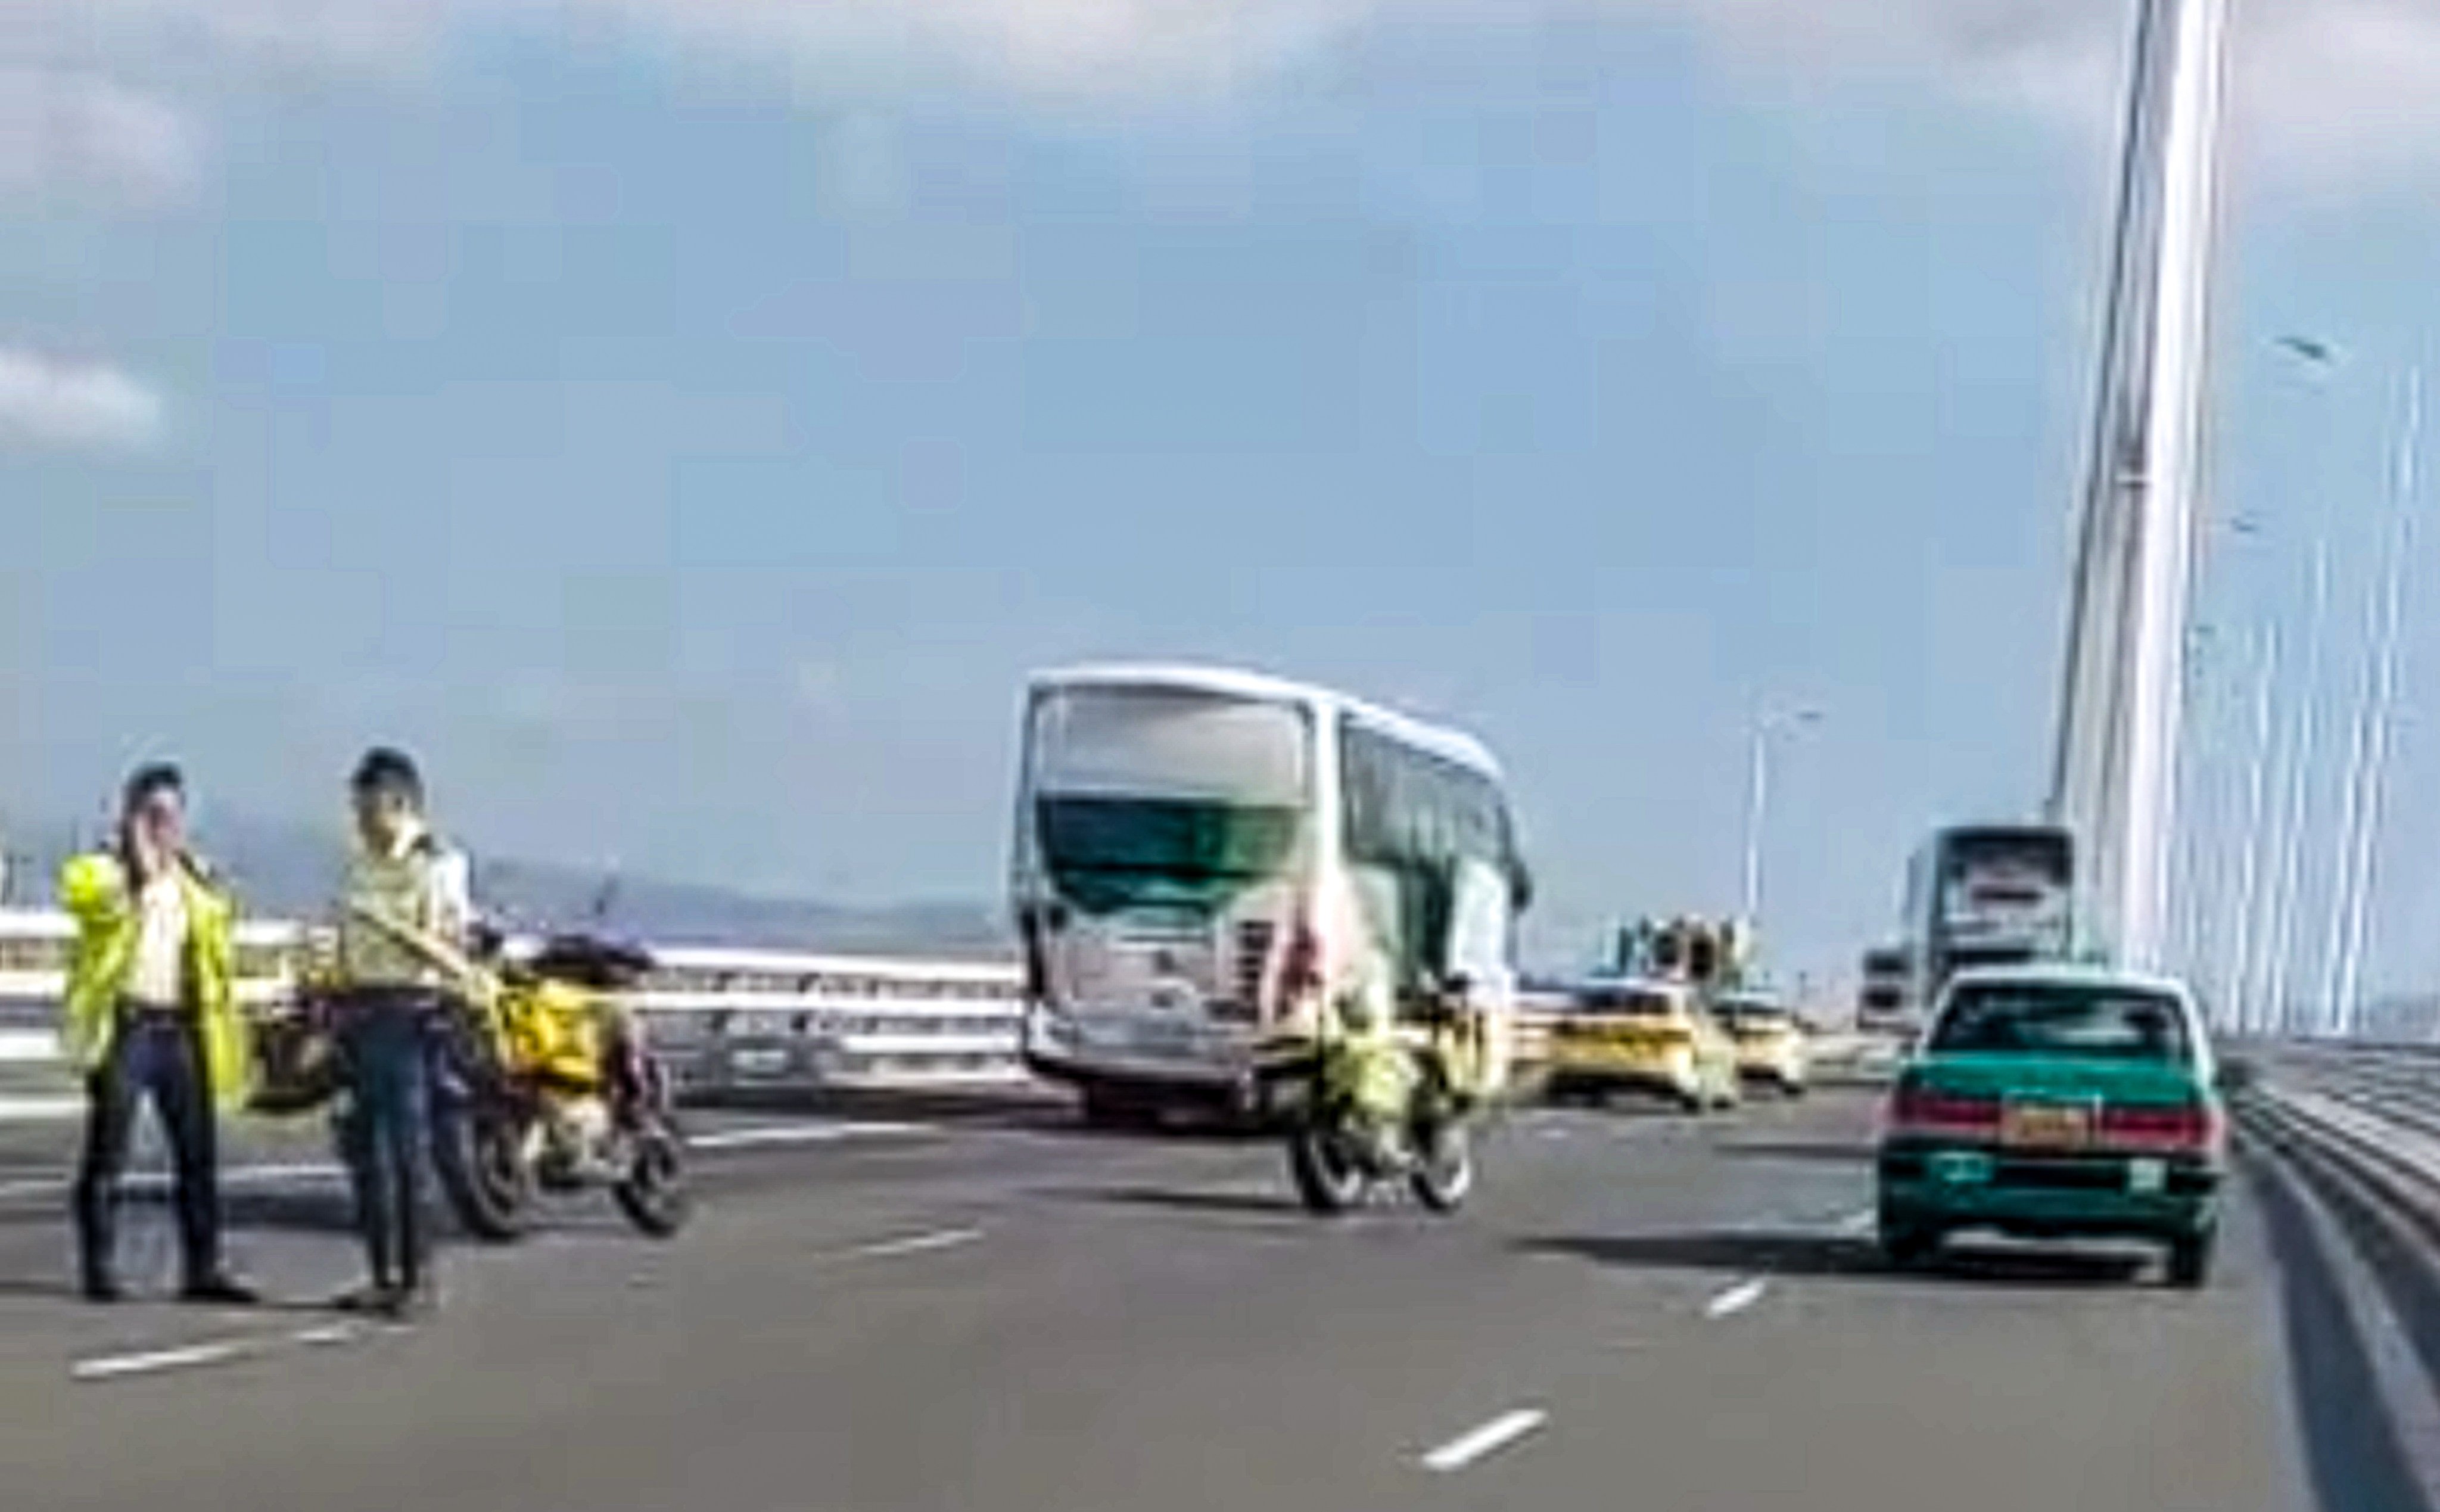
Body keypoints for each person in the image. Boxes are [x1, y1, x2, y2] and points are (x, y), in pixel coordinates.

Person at [58, 763, 256, 1304]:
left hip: (180, 1026)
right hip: (126, 1024)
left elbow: (220, 931)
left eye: (170, 817)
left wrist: (201, 879)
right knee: (108, 1151)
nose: (162, 828)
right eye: (151, 816)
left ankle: (203, 1267)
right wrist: (136, 870)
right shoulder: (104, 871)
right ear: (130, 817)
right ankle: (99, 1266)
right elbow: (83, 898)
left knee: (197, 1153)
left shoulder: (192, 882)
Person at [329, 746, 471, 1319]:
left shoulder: (436, 865)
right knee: (363, 1153)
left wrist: (389, 927)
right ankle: (381, 1273)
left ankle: (419, 1278)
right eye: (357, 809)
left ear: (401, 804)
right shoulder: (360, 864)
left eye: (370, 809)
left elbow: (453, 957)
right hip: (360, 1012)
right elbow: (346, 939)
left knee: (410, 1153)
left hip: (412, 1013)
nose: (362, 821)